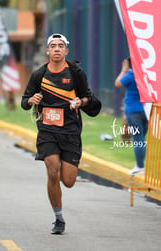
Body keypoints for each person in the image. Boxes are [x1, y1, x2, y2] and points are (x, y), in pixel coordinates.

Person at [21, 33, 101, 234]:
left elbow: (89, 99)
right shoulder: (39, 74)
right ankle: (59, 219)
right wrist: (31, 100)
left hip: (71, 131)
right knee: (52, 171)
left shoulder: (75, 73)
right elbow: (24, 100)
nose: (57, 49)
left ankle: (61, 199)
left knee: (68, 181)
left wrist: (79, 102)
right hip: (47, 130)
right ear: (47, 51)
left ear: (66, 50)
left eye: (60, 46)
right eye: (53, 46)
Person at [114, 57, 148, 175]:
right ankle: (141, 165)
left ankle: (140, 166)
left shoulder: (130, 74)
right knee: (142, 138)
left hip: (133, 111)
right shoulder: (147, 73)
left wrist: (124, 70)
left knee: (138, 139)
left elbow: (118, 83)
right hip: (147, 109)